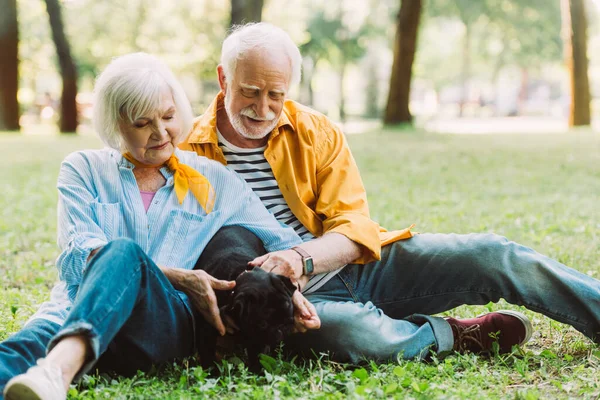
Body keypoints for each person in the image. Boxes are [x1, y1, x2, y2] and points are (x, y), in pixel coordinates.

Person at [180, 22, 600, 363]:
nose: (264, 107)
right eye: (251, 92)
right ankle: (452, 335)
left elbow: (353, 226)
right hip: (285, 301)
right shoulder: (185, 152)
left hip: (356, 264)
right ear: (223, 79)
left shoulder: (317, 131)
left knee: (492, 253)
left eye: (277, 94)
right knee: (359, 334)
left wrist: (299, 258)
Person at [2, 52, 319, 400]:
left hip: (162, 324)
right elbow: (78, 256)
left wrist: (292, 287)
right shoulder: (83, 169)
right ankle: (63, 363)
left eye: (168, 116)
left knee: (124, 253)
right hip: (75, 311)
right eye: (141, 123)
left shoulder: (215, 179)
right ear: (115, 124)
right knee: (12, 356)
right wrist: (180, 275)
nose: (160, 133)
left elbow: (285, 241)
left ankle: (57, 372)